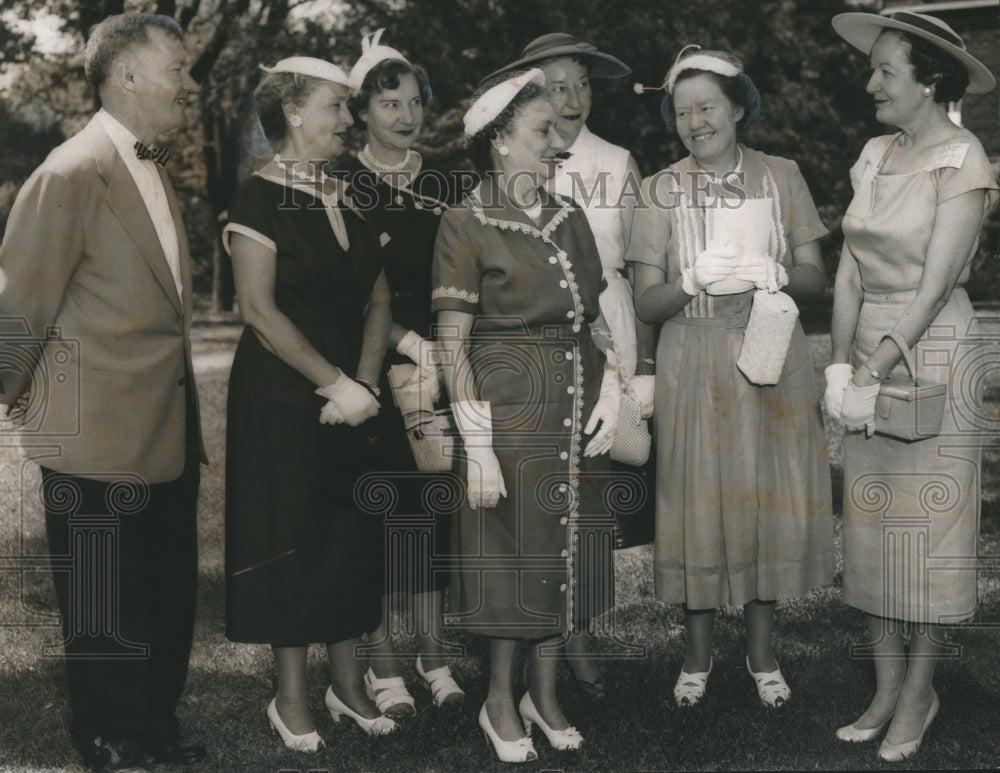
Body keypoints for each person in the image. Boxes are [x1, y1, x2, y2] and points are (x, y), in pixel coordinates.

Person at [0, 12, 206, 772]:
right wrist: (19, 401)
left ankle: (154, 727)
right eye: (178, 68)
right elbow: (20, 305)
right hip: (89, 435)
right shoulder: (71, 170)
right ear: (125, 75)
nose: (191, 84)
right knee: (104, 602)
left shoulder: (151, 165)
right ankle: (113, 738)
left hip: (165, 426)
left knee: (163, 590)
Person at [628, 47, 833, 710]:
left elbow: (814, 273)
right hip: (692, 359)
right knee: (694, 502)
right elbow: (644, 301)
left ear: (738, 106)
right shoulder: (658, 190)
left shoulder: (781, 175)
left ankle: (763, 654)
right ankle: (695, 655)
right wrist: (689, 281)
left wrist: (774, 272)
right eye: (682, 111)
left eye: (707, 106)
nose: (695, 121)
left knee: (760, 500)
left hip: (768, 354)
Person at [434, 68, 619, 762]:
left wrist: (615, 388)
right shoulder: (465, 219)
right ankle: (499, 701)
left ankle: (546, 697)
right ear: (500, 139)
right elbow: (453, 341)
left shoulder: (569, 216)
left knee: (562, 554)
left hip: (574, 403)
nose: (557, 143)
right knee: (510, 558)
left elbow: (594, 321)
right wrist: (475, 444)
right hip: (507, 410)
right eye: (543, 131)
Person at [827, 11, 997, 762]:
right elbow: (848, 269)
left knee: (927, 537)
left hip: (933, 354)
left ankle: (920, 692)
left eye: (886, 71)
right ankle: (887, 685)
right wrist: (838, 364)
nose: (870, 84)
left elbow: (933, 289)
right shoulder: (870, 154)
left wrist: (870, 372)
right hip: (867, 355)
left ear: (929, 81)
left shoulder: (963, 158)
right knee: (871, 532)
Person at [223, 56, 396, 750]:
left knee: (350, 533)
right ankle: (290, 696)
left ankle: (349, 686)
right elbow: (259, 312)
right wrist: (335, 383)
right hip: (282, 391)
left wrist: (365, 382)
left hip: (353, 387)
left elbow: (379, 297)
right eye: (336, 107)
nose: (347, 122)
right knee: (289, 536)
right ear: (293, 112)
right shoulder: (257, 198)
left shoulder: (350, 188)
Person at [488, 31, 654, 698]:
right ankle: (530, 632)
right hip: (536, 344)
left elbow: (642, 267)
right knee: (538, 495)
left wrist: (637, 367)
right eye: (558, 85)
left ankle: (580, 628)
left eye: (583, 83)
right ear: (531, 94)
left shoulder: (618, 161)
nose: (573, 98)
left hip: (605, 330)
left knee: (592, 491)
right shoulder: (515, 161)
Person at [339, 29, 464, 717]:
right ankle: (384, 659)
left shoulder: (446, 181)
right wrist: (402, 339)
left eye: (415, 101)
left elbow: (460, 272)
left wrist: (444, 344)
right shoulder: (341, 179)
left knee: (431, 507)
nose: (406, 115)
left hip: (438, 362)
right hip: (368, 361)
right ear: (362, 110)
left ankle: (434, 652)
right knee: (384, 511)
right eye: (390, 102)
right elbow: (346, 287)